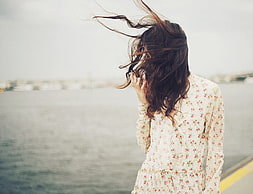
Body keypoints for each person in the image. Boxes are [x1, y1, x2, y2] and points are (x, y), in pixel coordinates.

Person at [93, 0, 224, 193]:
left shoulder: (209, 92)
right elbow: (147, 147)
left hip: (188, 187)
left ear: (171, 56)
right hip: (149, 184)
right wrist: (143, 103)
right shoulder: (156, 89)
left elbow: (215, 152)